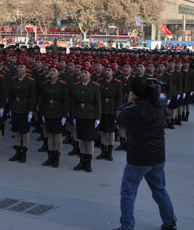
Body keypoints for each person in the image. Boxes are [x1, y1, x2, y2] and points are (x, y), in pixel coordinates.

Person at [114, 78, 177, 230]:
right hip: (157, 157)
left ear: (134, 94)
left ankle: (126, 227)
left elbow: (119, 116)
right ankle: (170, 222)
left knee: (128, 192)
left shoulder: (134, 110)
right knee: (160, 190)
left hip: (139, 159)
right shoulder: (159, 106)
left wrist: (129, 102)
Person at [71, 65, 101, 172]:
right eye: (82, 72)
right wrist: (74, 116)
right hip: (80, 114)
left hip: (90, 115)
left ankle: (88, 162)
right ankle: (82, 160)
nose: (83, 74)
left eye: (86, 73)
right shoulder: (77, 86)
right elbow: (74, 102)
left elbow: (98, 103)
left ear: (90, 75)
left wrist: (98, 118)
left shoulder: (95, 86)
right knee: (82, 139)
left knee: (89, 139)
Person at [38, 63, 69, 167]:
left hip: (58, 113)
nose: (52, 72)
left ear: (58, 73)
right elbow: (42, 99)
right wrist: (42, 113)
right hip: (48, 112)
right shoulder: (45, 84)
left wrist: (64, 115)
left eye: (54, 71)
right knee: (49, 135)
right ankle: (50, 157)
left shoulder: (62, 84)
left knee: (57, 136)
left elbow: (65, 101)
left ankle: (56, 158)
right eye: (50, 70)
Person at [8, 57, 37, 163]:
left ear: (26, 68)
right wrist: (10, 108)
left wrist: (30, 111)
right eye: (18, 67)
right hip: (15, 107)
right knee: (16, 131)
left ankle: (24, 152)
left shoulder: (30, 81)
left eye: (22, 67)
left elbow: (32, 97)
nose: (19, 69)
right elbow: (11, 95)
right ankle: (17, 151)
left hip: (25, 108)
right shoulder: (14, 79)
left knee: (24, 131)